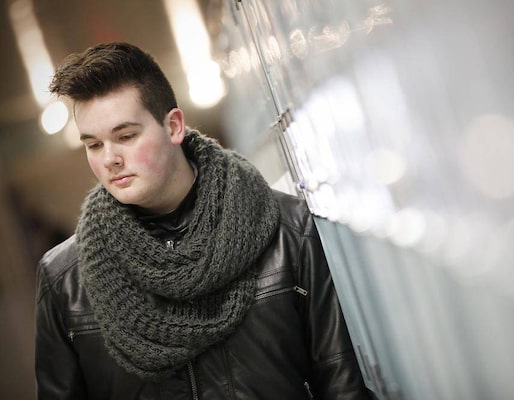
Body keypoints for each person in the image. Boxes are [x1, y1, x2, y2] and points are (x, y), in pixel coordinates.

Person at [34, 42, 371, 399]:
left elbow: (340, 382)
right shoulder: (64, 280)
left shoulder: (287, 231)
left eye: (126, 136)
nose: (110, 159)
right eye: (94, 145)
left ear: (174, 126)